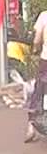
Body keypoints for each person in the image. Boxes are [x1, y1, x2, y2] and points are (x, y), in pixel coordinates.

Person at [25, 9, 47, 142]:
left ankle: (31, 127)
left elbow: (37, 39)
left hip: (45, 61)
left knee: (38, 90)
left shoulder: (44, 16)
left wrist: (34, 50)